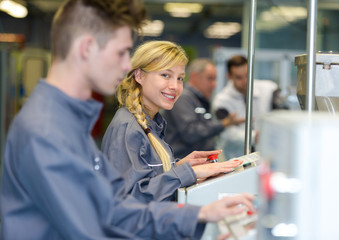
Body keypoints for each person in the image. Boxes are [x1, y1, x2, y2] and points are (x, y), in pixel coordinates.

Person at [0, 1, 256, 239]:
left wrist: (200, 214)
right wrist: (194, 214)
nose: (126, 66)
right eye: (121, 52)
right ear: (87, 48)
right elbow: (104, 225)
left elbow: (113, 206)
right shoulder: (48, 131)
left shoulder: (65, 121)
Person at [101, 41, 243, 203]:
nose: (175, 86)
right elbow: (131, 199)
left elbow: (149, 179)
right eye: (165, 75)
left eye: (180, 78)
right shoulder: (128, 128)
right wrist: (189, 173)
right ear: (139, 76)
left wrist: (179, 166)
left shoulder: (152, 123)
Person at [162, 58, 244, 159]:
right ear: (194, 76)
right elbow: (190, 133)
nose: (214, 84)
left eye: (215, 79)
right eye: (210, 78)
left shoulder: (199, 99)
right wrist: (223, 123)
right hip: (184, 164)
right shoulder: (183, 97)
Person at [212, 55, 278, 159]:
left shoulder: (269, 89)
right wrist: (255, 136)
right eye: (238, 77)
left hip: (267, 155)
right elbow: (227, 133)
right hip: (237, 157)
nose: (245, 81)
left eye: (247, 75)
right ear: (229, 76)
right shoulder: (221, 101)